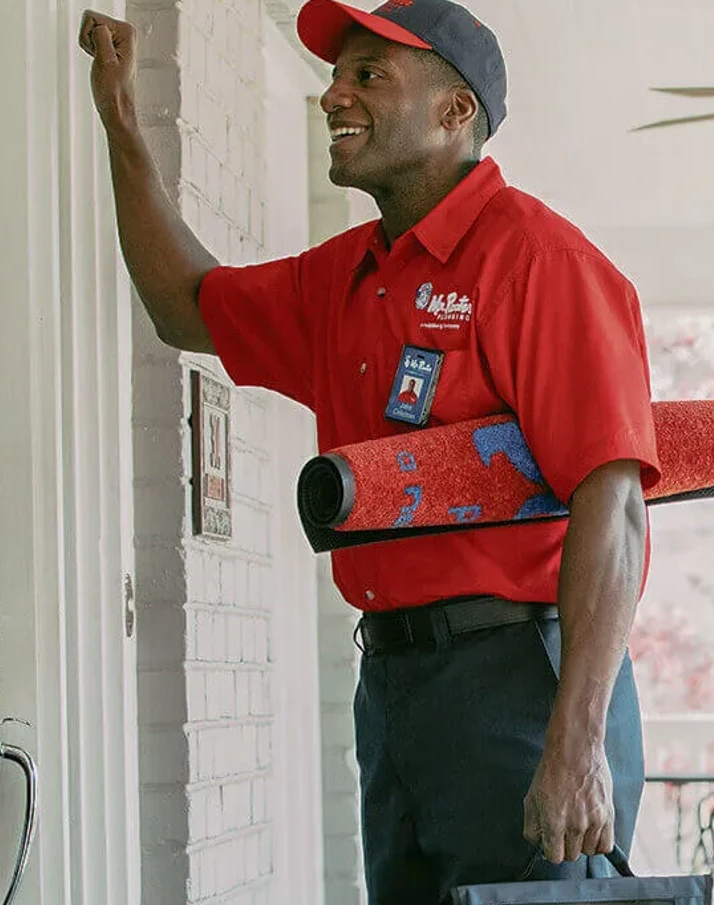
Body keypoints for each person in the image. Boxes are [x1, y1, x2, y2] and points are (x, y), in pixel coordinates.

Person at [77, 2, 660, 901]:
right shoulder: (346, 276)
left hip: (524, 682)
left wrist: (576, 740)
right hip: (395, 683)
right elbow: (182, 303)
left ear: (455, 111)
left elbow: (614, 502)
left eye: (368, 75)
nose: (332, 95)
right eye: (336, 75)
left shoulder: (539, 262)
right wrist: (120, 123)